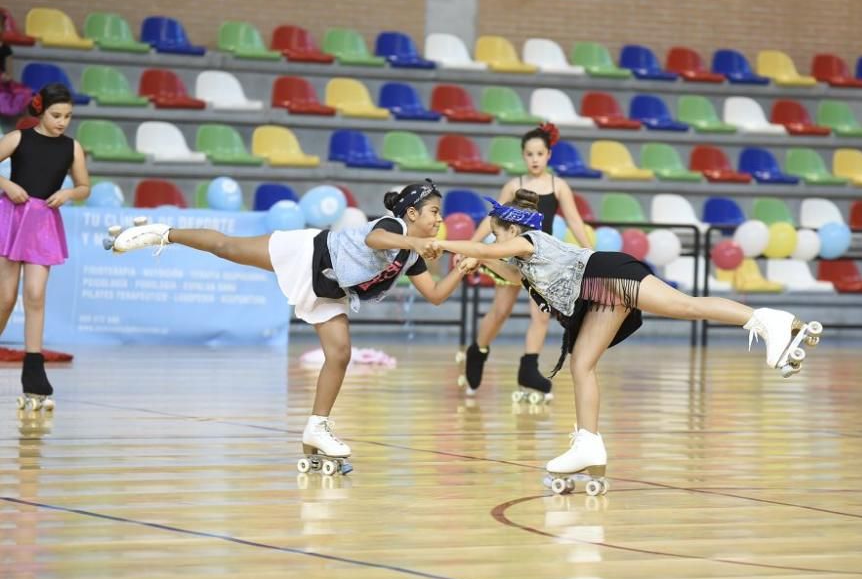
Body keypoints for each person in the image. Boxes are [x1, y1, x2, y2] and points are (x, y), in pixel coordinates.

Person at [434, 190, 821, 493]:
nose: (489, 235)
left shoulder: (529, 240)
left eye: (494, 230)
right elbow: (507, 270)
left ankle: (767, 320)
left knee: (683, 306)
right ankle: (588, 444)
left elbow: (488, 250)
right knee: (581, 363)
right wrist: (478, 260)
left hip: (605, 274)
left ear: (511, 230)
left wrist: (447, 245)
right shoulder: (523, 257)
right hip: (599, 291)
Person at [106, 181, 470, 473]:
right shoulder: (395, 228)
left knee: (340, 354)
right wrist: (416, 241)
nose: (439, 219)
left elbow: (436, 295)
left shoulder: (411, 253)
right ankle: (163, 234)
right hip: (309, 253)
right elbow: (374, 239)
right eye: (435, 212)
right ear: (412, 213)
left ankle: (317, 426)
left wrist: (460, 269)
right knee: (226, 247)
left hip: (330, 287)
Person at [462, 123, 592, 402]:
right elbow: (492, 219)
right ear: (523, 156)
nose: (534, 159)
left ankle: (529, 367)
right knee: (500, 312)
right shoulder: (514, 185)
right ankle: (478, 349)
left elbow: (574, 221)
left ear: (548, 155)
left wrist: (590, 251)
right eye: (529, 154)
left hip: (541, 260)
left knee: (541, 315)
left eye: (539, 153)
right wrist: (473, 247)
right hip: (510, 253)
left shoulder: (559, 186)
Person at [0, 83, 91, 411]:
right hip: (11, 219)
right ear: (40, 110)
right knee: (6, 297)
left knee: (35, 295)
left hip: (42, 223)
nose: (62, 121)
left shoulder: (72, 147)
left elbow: (84, 187)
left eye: (68, 116)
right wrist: (7, 184)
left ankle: (34, 370)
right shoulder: (19, 138)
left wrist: (69, 194)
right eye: (56, 115)